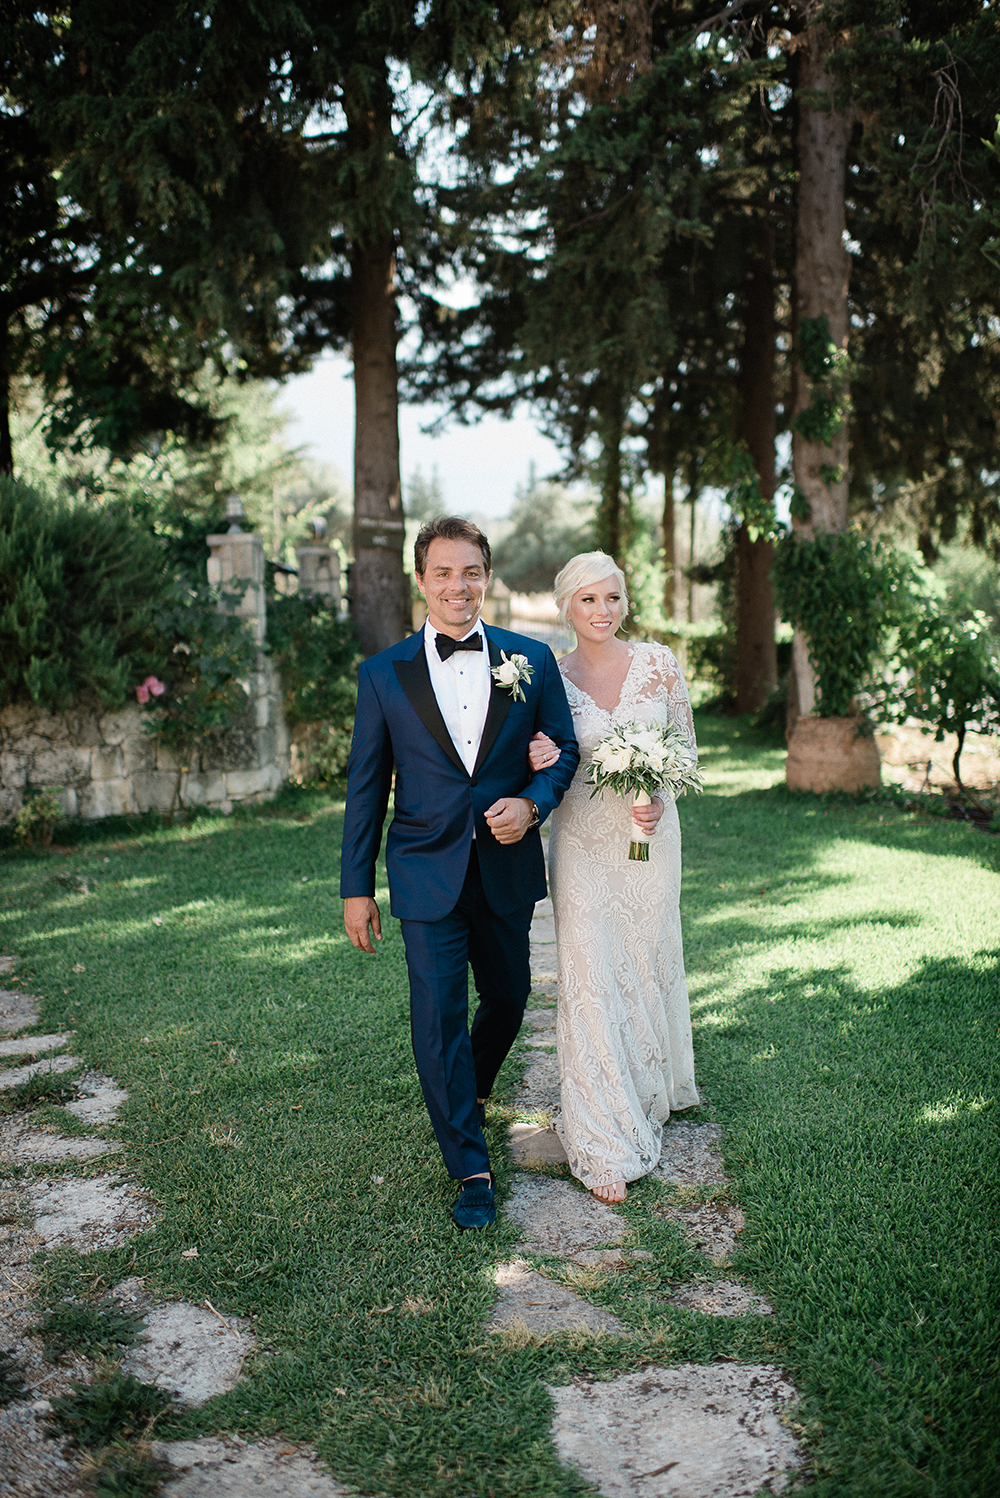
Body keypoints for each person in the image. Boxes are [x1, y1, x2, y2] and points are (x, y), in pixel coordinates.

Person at [340, 516, 579, 1231]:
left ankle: (462, 1092)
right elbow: (365, 787)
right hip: (423, 871)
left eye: (470, 571)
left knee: (509, 998)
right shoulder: (382, 675)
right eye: (443, 572)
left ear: (488, 577)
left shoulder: (530, 660)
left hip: (504, 865)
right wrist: (357, 888)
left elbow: (563, 750)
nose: (458, 586)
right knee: (438, 1014)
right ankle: (469, 1164)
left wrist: (533, 805)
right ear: (421, 581)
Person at [528, 551, 699, 1205]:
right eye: (587, 600)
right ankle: (601, 1138)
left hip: (649, 842)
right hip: (582, 845)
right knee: (591, 975)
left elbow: (684, 750)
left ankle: (646, 1088)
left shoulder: (659, 664)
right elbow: (542, 761)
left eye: (612, 598)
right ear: (566, 606)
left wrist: (657, 790)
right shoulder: (548, 675)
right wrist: (537, 753)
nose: (602, 612)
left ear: (626, 602)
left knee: (642, 957)